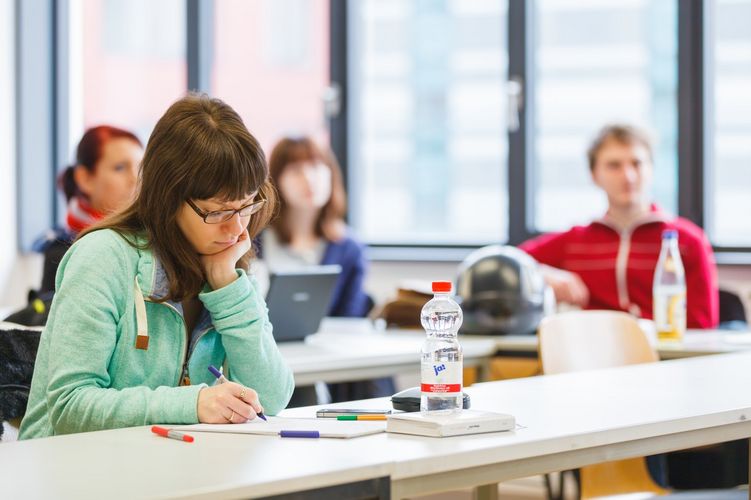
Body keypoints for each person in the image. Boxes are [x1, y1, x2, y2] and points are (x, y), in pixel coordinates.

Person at [19, 94, 294, 439]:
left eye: (246, 206)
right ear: (168, 197)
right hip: (69, 474)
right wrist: (192, 404)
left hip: (167, 468)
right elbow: (71, 407)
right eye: (218, 211)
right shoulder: (102, 257)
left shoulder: (225, 262)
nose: (238, 230)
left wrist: (227, 285)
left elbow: (271, 397)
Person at [519, 124, 719, 329]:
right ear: (594, 175)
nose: (628, 176)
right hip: (593, 354)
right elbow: (506, 262)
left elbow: (702, 323)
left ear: (651, 169)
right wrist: (543, 274)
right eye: (614, 165)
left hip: (664, 354)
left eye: (637, 163)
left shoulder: (688, 241)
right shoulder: (574, 242)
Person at [259, 136, 393, 404]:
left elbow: (350, 321)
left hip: (327, 362)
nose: (309, 179)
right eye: (296, 170)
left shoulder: (348, 248)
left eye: (317, 168)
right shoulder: (253, 240)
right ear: (275, 180)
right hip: (270, 358)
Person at [4, 126, 144, 327]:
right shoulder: (63, 249)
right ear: (85, 178)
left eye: (141, 167)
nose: (135, 179)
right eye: (120, 168)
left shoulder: (153, 241)